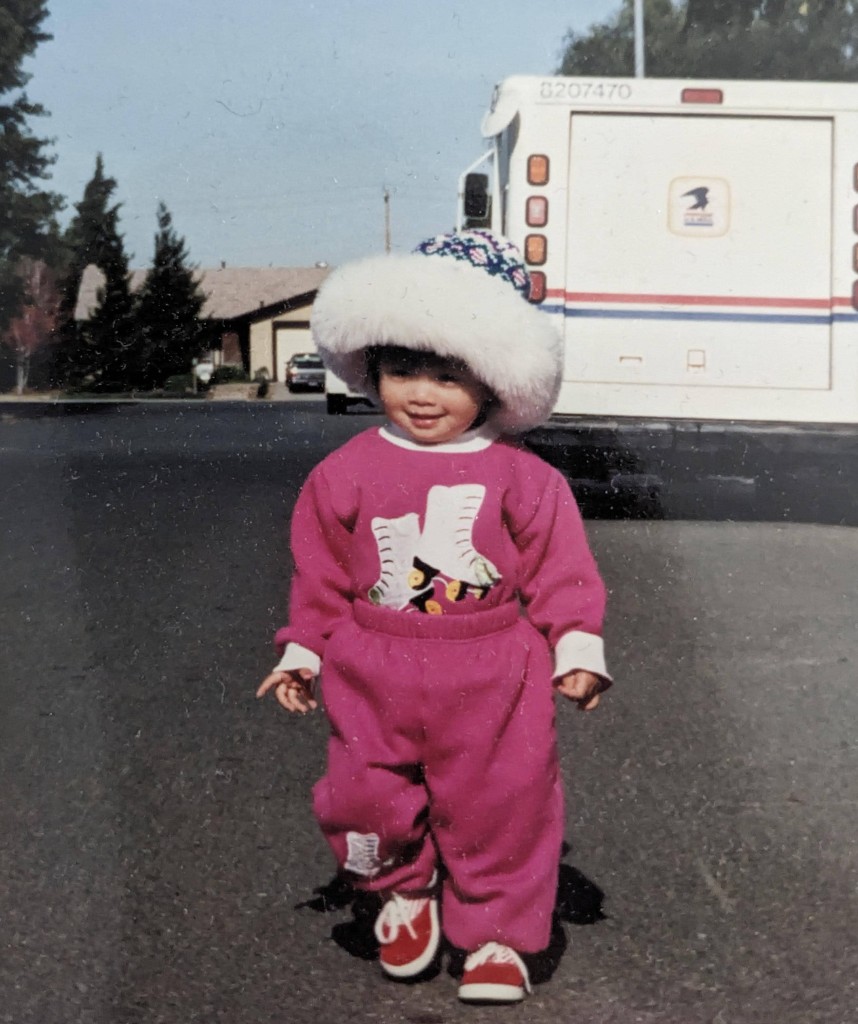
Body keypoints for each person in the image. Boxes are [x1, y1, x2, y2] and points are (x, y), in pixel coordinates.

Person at [257, 230, 611, 1004]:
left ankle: (494, 936)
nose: (422, 393)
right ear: (371, 369)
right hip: (370, 669)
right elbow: (317, 576)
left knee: (503, 805)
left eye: (448, 376)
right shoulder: (343, 472)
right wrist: (302, 654)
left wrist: (576, 647)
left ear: (491, 383)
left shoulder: (526, 478)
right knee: (362, 798)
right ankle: (400, 891)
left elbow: (561, 571)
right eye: (403, 370)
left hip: (493, 675)